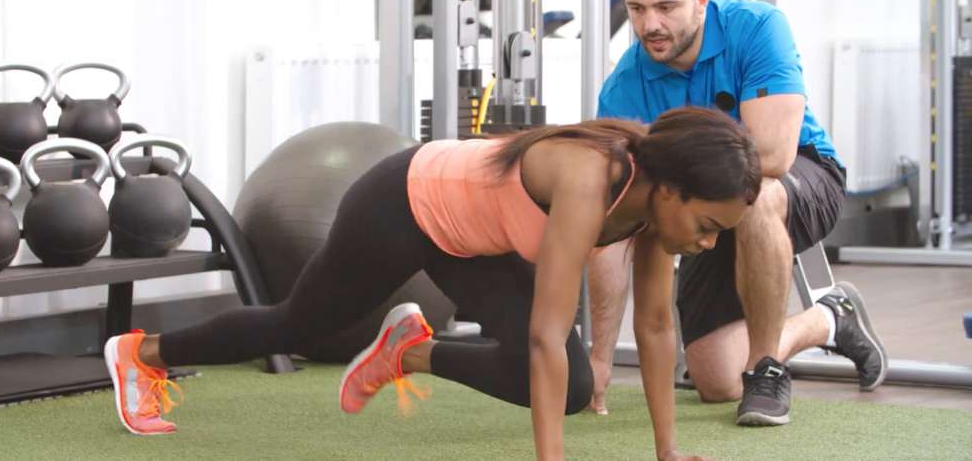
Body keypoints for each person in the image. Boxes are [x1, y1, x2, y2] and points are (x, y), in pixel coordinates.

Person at [104, 106, 759, 461]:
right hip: (405, 200)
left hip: (478, 239)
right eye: (705, 226)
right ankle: (141, 355)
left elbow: (653, 324)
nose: (704, 243)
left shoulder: (652, 211)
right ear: (671, 188)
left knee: (573, 388)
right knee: (296, 325)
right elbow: (543, 337)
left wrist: (667, 450)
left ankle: (406, 352)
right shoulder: (591, 179)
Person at [586, 0, 887, 427]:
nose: (650, 25)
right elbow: (614, 223)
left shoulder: (758, 27)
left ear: (701, 0)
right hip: (704, 207)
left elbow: (772, 153)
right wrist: (599, 357)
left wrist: (670, 188)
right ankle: (831, 317)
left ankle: (766, 368)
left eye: (666, 7)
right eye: (638, 9)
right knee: (719, 381)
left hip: (802, 177)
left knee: (758, 192)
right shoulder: (624, 87)